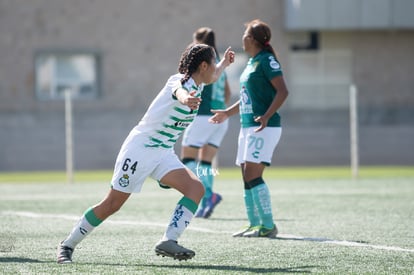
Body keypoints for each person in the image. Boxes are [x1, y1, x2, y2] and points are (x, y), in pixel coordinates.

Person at [57, 43, 235, 263]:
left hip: (162, 152)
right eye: (213, 65)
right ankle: (67, 245)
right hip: (140, 150)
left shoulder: (200, 82)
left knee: (195, 188)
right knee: (112, 204)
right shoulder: (180, 81)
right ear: (203, 66)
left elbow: (214, 75)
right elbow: (178, 91)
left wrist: (224, 63)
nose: (215, 71)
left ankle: (168, 240)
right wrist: (185, 99)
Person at [209, 19, 288, 238]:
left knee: (253, 174)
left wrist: (266, 116)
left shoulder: (267, 60)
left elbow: (283, 92)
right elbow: (246, 99)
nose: (242, 37)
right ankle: (254, 224)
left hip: (264, 126)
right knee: (246, 174)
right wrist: (226, 113)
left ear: (252, 39)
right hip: (247, 127)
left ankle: (268, 225)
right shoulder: (252, 62)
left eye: (245, 34)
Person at [181, 27, 231, 218]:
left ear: (199, 41)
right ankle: (210, 196)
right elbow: (227, 93)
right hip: (220, 117)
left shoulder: (203, 63)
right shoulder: (219, 63)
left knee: (187, 158)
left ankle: (207, 195)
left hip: (203, 116)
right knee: (205, 162)